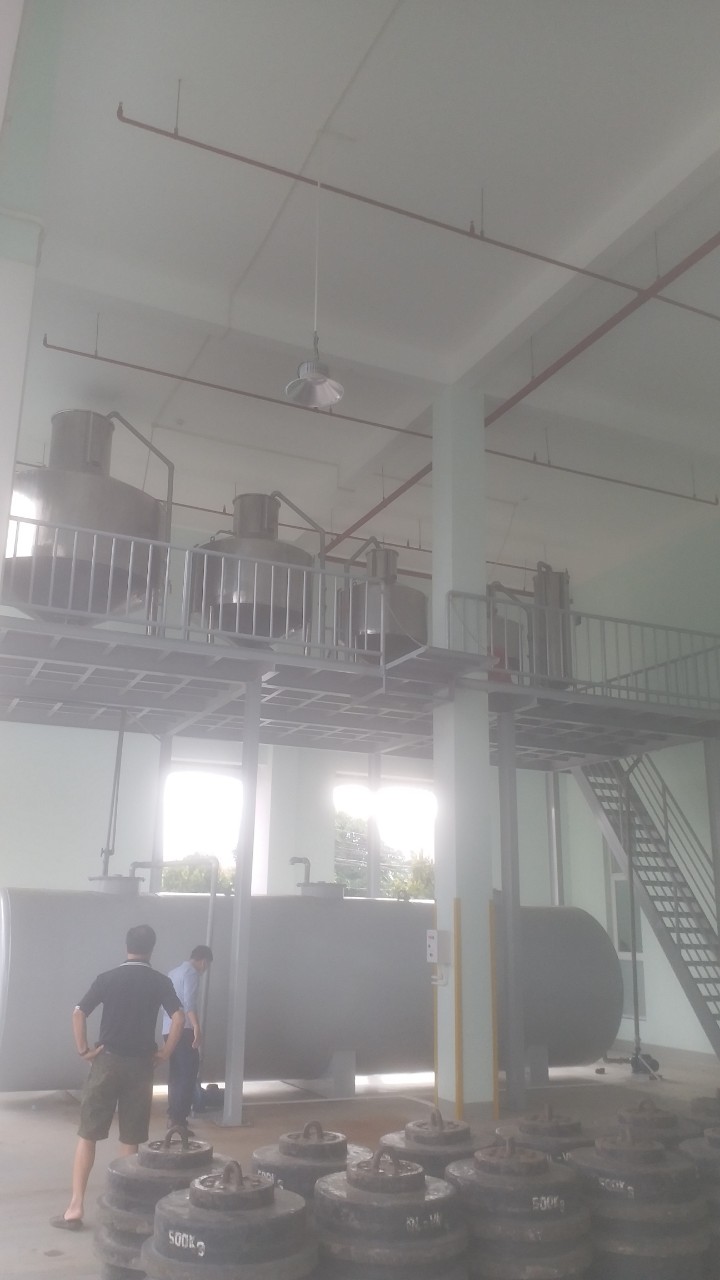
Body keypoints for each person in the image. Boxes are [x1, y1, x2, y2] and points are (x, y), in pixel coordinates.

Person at [51, 923, 185, 1230]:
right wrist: (165, 1053)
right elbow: (178, 1017)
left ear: (127, 946)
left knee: (88, 1134)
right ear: (152, 949)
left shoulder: (107, 978)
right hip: (140, 1066)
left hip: (106, 1062)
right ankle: (123, 1209)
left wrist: (84, 1049)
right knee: (130, 1138)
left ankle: (75, 1208)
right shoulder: (160, 982)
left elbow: (78, 1012)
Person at [162, 944, 213, 1128]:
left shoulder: (173, 973)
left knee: (175, 1074)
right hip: (184, 1029)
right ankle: (179, 1119)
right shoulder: (191, 973)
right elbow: (190, 1003)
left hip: (168, 1029)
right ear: (204, 961)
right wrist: (197, 1027)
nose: (205, 970)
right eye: (206, 966)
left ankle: (173, 1115)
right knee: (187, 1073)